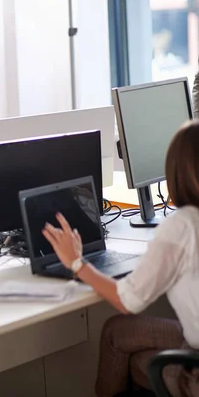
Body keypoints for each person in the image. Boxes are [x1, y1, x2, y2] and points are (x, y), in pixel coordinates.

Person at [42, 120, 199, 396]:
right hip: (193, 342)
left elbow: (127, 301)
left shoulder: (182, 226)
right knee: (118, 333)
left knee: (133, 360)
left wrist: (77, 263)